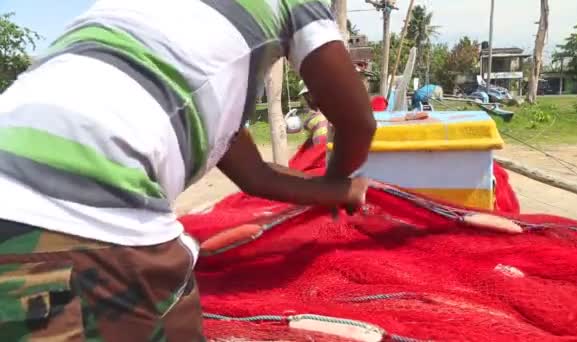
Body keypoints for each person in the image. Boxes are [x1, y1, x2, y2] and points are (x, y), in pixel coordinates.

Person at [0, 1, 376, 341]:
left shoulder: (153, 39)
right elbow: (358, 123)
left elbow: (255, 175)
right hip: (84, 220)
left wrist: (340, 193)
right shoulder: (294, 4)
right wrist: (339, 179)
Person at [298, 81, 330, 145]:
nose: (308, 98)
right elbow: (310, 140)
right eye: (306, 95)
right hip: (320, 151)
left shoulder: (332, 110)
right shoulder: (309, 119)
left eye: (310, 93)